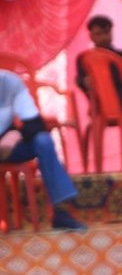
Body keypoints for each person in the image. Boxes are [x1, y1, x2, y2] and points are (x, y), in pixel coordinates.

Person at [0, 70, 87, 231]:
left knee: (43, 140)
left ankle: (61, 212)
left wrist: (16, 134)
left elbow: (36, 123)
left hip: (6, 146)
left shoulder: (10, 82)